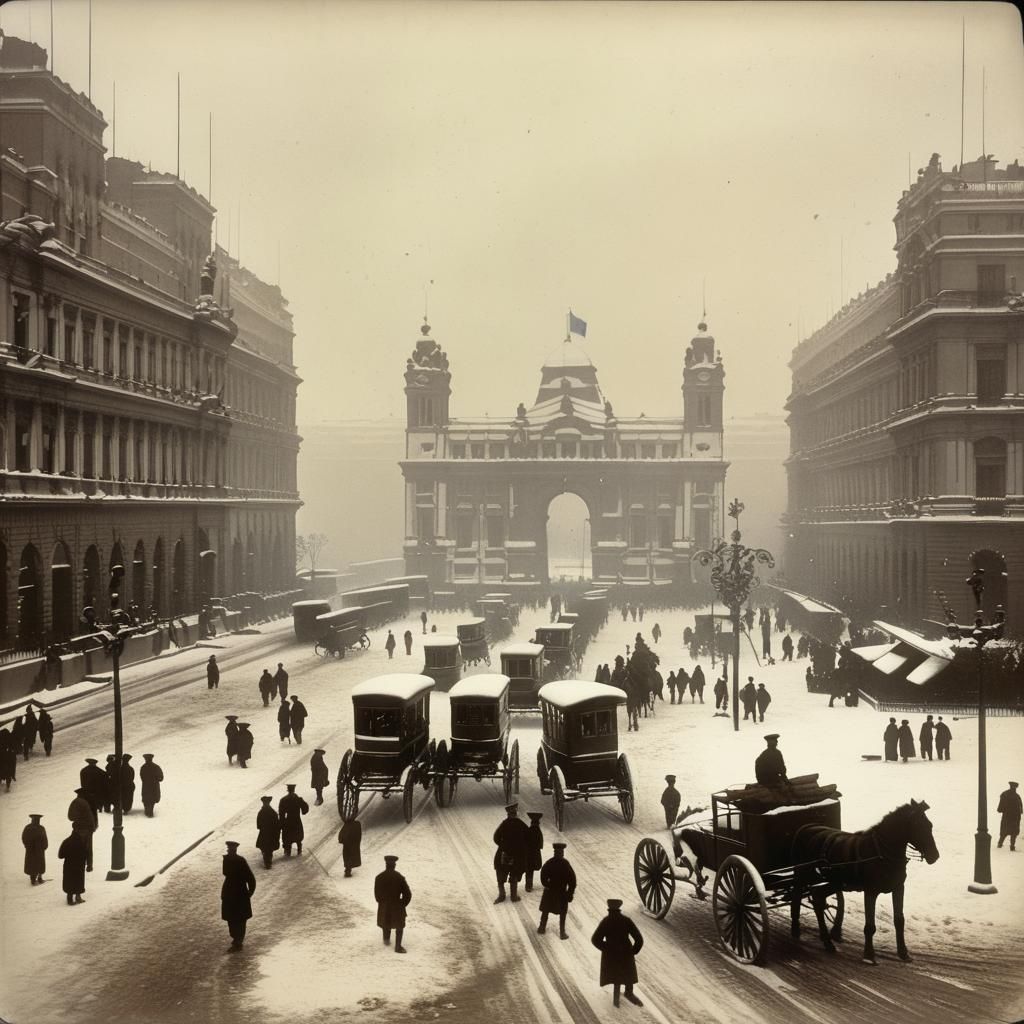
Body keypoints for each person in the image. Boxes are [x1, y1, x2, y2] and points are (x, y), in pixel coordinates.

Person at [591, 899, 644, 1008]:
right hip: (626, 952)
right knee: (627, 973)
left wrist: (606, 948)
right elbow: (639, 939)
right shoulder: (626, 920)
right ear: (619, 909)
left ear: (609, 909)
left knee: (615, 975)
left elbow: (595, 939)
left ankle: (616, 1000)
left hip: (612, 954)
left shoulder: (606, 921)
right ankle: (629, 993)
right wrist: (633, 951)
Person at [221, 840, 256, 950]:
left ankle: (238, 941)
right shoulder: (228, 860)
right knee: (236, 919)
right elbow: (250, 879)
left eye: (230, 849)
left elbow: (250, 878)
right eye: (229, 849)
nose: (229, 851)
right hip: (236, 894)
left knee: (237, 919)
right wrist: (249, 893)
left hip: (236, 894)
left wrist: (249, 893)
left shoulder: (239, 861)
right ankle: (237, 939)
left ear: (234, 850)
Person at [493, 802, 530, 903]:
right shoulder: (521, 824)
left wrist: (502, 845)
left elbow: (496, 837)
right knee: (514, 873)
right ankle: (513, 896)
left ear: (508, 814)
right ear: (515, 813)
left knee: (501, 873)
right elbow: (529, 837)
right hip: (518, 854)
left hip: (504, 853)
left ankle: (501, 895)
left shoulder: (504, 824)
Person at [538, 842, 576, 939]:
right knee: (562, 912)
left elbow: (543, 875)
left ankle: (542, 927)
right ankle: (562, 933)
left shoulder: (549, 862)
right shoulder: (565, 864)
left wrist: (547, 884)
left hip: (550, 891)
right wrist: (570, 893)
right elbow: (572, 880)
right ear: (562, 853)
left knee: (546, 910)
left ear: (554, 852)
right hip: (561, 892)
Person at [375, 854, 412, 952]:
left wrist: (382, 903)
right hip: (397, 905)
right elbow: (408, 894)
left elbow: (377, 895)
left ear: (386, 865)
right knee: (399, 925)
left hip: (385, 905)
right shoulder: (399, 877)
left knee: (385, 921)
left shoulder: (379, 877)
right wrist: (402, 904)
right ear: (394, 865)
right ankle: (398, 947)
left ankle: (386, 939)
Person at [67, 787, 97, 872]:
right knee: (88, 848)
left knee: (78, 847)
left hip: (77, 829)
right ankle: (89, 866)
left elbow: (70, 817)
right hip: (87, 829)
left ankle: (80, 864)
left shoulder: (73, 802)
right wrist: (93, 827)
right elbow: (90, 817)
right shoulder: (85, 803)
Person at [58, 828, 88, 905]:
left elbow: (60, 855)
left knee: (69, 881)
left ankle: (69, 899)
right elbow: (85, 854)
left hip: (69, 866)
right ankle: (78, 897)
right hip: (79, 866)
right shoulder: (82, 842)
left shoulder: (66, 841)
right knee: (79, 881)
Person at [279, 783, 309, 856]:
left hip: (288, 820)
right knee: (298, 836)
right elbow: (305, 809)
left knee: (288, 837)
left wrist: (281, 823)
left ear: (288, 790)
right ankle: (299, 850)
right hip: (296, 820)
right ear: (294, 789)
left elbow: (281, 813)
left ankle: (288, 851)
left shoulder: (283, 799)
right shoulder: (298, 799)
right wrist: (303, 811)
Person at [255, 796, 281, 869]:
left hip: (263, 834)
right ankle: (268, 862)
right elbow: (277, 824)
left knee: (264, 848)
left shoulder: (260, 812)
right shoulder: (273, 812)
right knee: (269, 849)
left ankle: (267, 861)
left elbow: (258, 826)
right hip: (272, 834)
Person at [22, 813, 47, 885]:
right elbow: (24, 838)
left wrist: (44, 846)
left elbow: (45, 838)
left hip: (36, 850)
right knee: (35, 864)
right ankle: (35, 879)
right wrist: (27, 845)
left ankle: (37, 878)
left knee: (36, 864)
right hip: (35, 850)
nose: (37, 821)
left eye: (38, 819)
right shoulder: (31, 828)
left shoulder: (39, 828)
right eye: (36, 819)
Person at [997, 781, 1022, 851]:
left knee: (1004, 832)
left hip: (1007, 817)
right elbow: (1021, 809)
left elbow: (999, 809)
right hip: (1015, 818)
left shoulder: (1005, 794)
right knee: (1013, 833)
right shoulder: (1017, 796)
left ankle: (1000, 844)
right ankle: (1012, 846)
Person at [525, 812, 544, 893]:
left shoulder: (528, 830)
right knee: (531, 868)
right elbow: (540, 844)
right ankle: (529, 886)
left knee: (529, 869)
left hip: (528, 853)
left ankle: (528, 885)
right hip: (535, 853)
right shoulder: (538, 831)